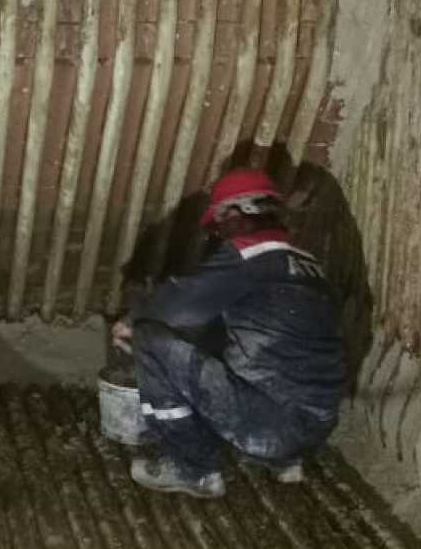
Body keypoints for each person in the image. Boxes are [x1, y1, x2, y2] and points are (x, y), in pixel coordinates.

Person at [111, 168, 346, 498]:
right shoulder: (309, 263)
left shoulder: (249, 253)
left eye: (220, 224)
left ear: (238, 212)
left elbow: (177, 307)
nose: (220, 235)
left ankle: (193, 469)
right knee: (226, 337)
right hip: (317, 427)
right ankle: (284, 462)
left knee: (150, 338)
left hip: (270, 427)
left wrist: (133, 320)